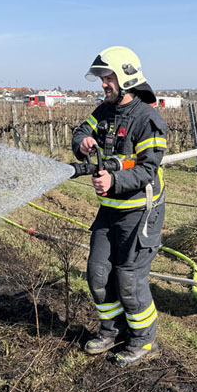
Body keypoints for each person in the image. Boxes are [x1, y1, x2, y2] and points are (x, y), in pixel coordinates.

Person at [72, 46, 167, 367]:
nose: (103, 84)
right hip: (109, 211)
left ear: (127, 78)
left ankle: (143, 340)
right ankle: (111, 330)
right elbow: (81, 131)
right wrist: (82, 143)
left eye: (108, 78)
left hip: (140, 213)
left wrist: (114, 181)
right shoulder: (104, 111)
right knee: (98, 273)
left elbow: (147, 169)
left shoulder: (147, 119)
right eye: (101, 78)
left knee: (129, 279)